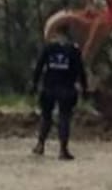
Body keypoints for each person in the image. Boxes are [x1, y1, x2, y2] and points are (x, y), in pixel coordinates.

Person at [30, 27, 88, 161]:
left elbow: (39, 67)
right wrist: (85, 88)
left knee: (46, 116)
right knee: (64, 118)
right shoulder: (73, 50)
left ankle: (40, 144)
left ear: (56, 34)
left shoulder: (48, 48)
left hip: (49, 87)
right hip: (66, 88)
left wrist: (34, 85)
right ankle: (63, 150)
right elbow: (80, 70)